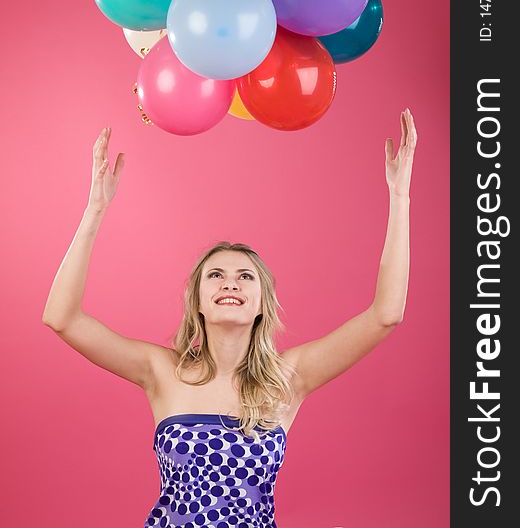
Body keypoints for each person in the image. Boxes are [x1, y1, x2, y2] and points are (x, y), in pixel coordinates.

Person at [42, 109, 417, 528]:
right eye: (216, 275)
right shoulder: (161, 370)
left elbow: (386, 314)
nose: (230, 284)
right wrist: (95, 210)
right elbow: (61, 318)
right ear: (198, 301)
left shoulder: (288, 378)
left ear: (261, 303)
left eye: (245, 277)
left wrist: (399, 198)